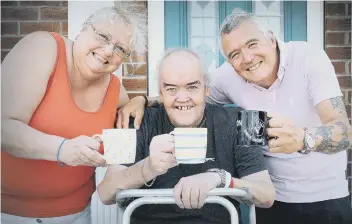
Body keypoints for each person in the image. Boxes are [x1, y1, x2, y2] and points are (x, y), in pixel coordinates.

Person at [117, 8, 352, 224]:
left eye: (252, 44)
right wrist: (143, 100)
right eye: (234, 54)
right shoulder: (227, 77)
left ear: (271, 39)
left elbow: (345, 132)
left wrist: (303, 139)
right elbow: (185, 91)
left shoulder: (308, 58)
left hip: (324, 196)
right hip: (271, 200)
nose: (247, 58)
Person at [1, 4, 146, 224]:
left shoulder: (115, 91)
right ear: (83, 29)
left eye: (119, 49)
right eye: (103, 36)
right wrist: (62, 149)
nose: (108, 51)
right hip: (8, 213)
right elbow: (3, 127)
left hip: (76, 215)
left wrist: (141, 99)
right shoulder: (43, 48)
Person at [98, 49, 275, 224]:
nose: (182, 98)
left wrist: (220, 179)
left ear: (207, 89)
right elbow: (105, 193)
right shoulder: (130, 119)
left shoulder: (245, 120)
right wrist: (148, 167)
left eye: (192, 87)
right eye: (172, 89)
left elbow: (266, 196)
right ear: (161, 93)